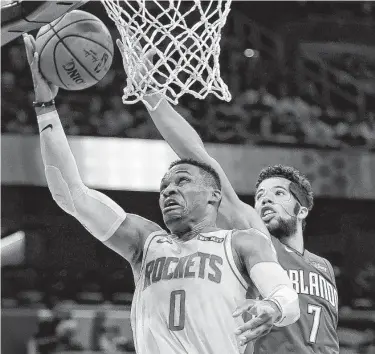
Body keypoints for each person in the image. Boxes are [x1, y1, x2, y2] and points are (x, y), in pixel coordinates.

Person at [23, 33, 300, 354]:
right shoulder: (147, 241)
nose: (169, 189)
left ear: (214, 195)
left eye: (181, 181)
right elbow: (70, 195)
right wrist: (45, 106)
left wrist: (273, 307)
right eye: (164, 186)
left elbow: (286, 296)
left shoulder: (241, 241)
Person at [133, 48, 340, 353]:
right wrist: (152, 96)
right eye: (260, 196)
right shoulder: (256, 242)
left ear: (303, 210)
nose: (265, 201)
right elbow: (199, 157)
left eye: (278, 194)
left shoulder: (323, 267)